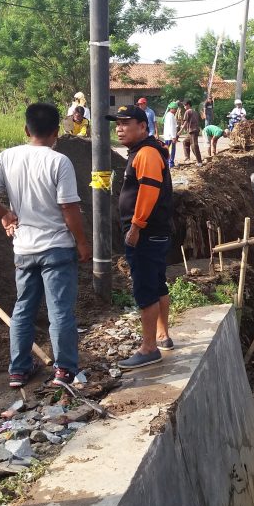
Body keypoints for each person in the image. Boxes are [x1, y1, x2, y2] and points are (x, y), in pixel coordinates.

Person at [0, 102, 92, 389]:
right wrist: (82, 242)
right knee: (60, 310)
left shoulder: (7, 157)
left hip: (24, 248)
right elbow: (69, 207)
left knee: (23, 308)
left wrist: (4, 214)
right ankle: (64, 370)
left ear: (26, 130)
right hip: (57, 247)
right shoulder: (58, 161)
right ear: (56, 132)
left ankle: (18, 370)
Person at [107, 105, 174, 370]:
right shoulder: (146, 150)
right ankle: (163, 335)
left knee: (145, 288)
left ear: (143, 126)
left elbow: (148, 191)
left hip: (146, 233)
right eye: (117, 124)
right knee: (157, 284)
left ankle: (149, 349)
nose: (120, 128)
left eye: (126, 123)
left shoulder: (146, 153)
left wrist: (136, 226)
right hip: (155, 231)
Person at [179, 100, 203, 165]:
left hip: (193, 130)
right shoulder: (195, 112)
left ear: (188, 105)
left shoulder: (188, 111)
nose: (184, 107)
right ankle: (187, 158)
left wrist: (180, 132)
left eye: (185, 105)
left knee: (194, 145)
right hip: (193, 130)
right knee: (185, 142)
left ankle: (199, 161)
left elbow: (185, 122)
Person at [162, 101, 178, 168]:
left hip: (168, 136)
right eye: (175, 109)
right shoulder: (170, 116)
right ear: (172, 108)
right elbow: (171, 127)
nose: (176, 110)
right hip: (170, 137)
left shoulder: (168, 115)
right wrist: (173, 137)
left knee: (167, 150)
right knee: (171, 150)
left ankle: (166, 163)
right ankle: (170, 163)